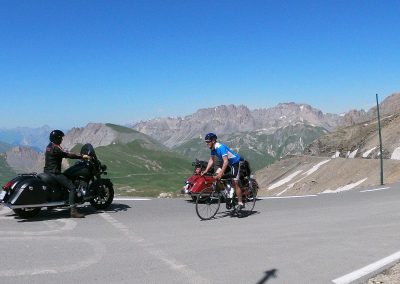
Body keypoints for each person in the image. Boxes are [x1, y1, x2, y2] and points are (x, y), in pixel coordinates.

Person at [44, 130, 90, 218]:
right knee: (72, 187)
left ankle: (51, 205)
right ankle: (73, 211)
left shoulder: (49, 146)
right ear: (56, 138)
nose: (61, 139)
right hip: (55, 173)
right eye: (60, 137)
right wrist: (82, 156)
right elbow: (67, 154)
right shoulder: (56, 147)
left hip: (47, 172)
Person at [201, 133, 244, 210]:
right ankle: (228, 194)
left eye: (208, 142)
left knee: (235, 181)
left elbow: (226, 161)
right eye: (206, 142)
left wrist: (221, 173)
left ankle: (240, 202)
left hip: (234, 163)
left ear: (213, 141)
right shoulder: (213, 149)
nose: (207, 143)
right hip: (226, 164)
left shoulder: (221, 147)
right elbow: (211, 160)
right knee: (216, 177)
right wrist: (206, 170)